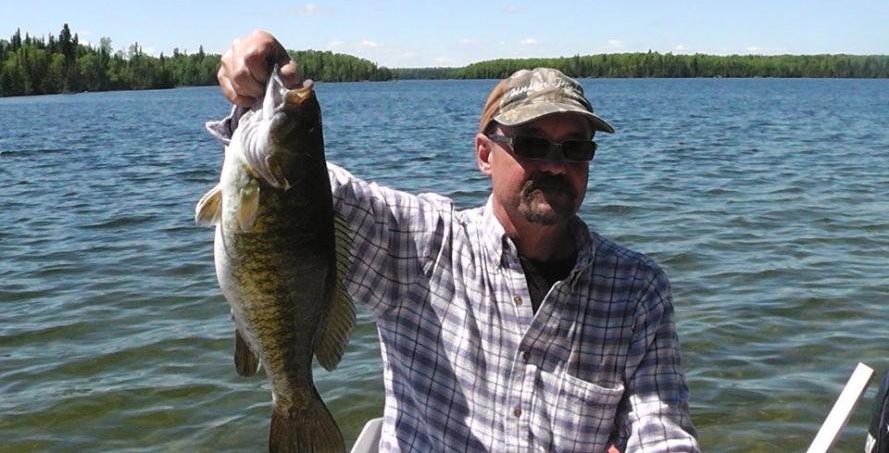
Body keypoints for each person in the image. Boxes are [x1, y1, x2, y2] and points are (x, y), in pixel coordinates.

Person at [217, 30, 700, 452]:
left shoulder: (638, 290)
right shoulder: (420, 245)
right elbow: (305, 191)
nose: (555, 164)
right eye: (531, 144)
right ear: (485, 155)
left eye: (575, 148)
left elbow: (662, 432)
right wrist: (260, 83)